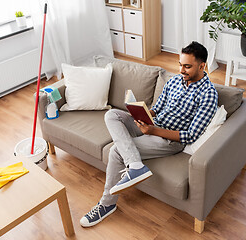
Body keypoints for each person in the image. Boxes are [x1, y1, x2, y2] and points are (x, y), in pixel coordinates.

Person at [80, 41, 218, 227]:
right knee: (112, 114)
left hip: (168, 140)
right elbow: (157, 108)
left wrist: (153, 131)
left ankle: (106, 205)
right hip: (151, 125)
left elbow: (190, 135)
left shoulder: (208, 94)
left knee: (116, 151)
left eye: (187, 66)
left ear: (202, 66)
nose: (181, 70)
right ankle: (136, 165)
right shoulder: (175, 81)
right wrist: (140, 113)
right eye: (180, 64)